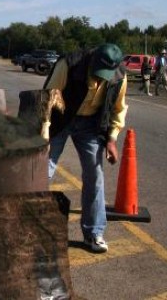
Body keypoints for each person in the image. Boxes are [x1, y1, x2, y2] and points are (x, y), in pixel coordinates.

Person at [44, 43, 128, 253]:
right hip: (60, 119)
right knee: (43, 171)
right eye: (98, 73)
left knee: (95, 175)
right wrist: (44, 132)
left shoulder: (119, 76)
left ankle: (93, 233)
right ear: (92, 59)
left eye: (105, 75)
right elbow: (48, 97)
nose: (100, 79)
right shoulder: (69, 63)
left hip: (90, 123)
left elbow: (118, 109)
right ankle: (25, 226)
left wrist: (112, 139)